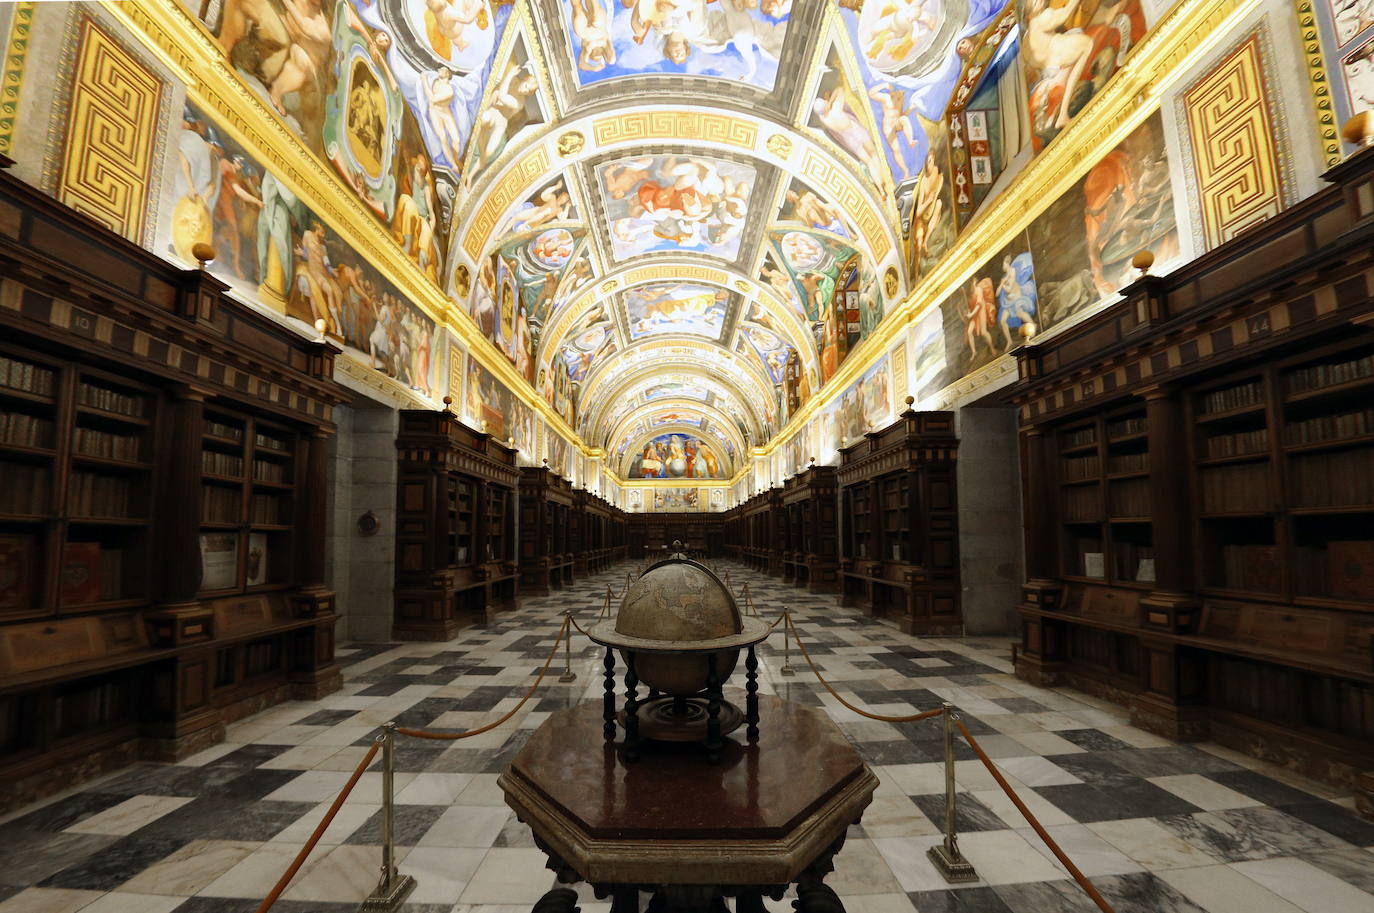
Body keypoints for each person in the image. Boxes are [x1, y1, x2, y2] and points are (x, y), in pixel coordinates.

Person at [868, 84, 918, 179]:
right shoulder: (886, 97)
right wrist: (884, 85)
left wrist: (910, 109)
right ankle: (906, 171)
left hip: (897, 123)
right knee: (896, 149)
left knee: (904, 119)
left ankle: (910, 141)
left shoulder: (901, 97)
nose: (902, 93)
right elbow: (871, 94)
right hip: (888, 127)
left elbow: (902, 114)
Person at [571, 0, 616, 71]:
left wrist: (594, 68)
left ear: (591, 55)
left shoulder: (587, 49)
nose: (597, 53)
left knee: (577, 7)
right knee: (596, 18)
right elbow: (612, 60)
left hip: (585, 32)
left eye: (595, 55)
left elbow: (581, 65)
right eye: (599, 54)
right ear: (603, 54)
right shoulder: (606, 44)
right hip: (599, 27)